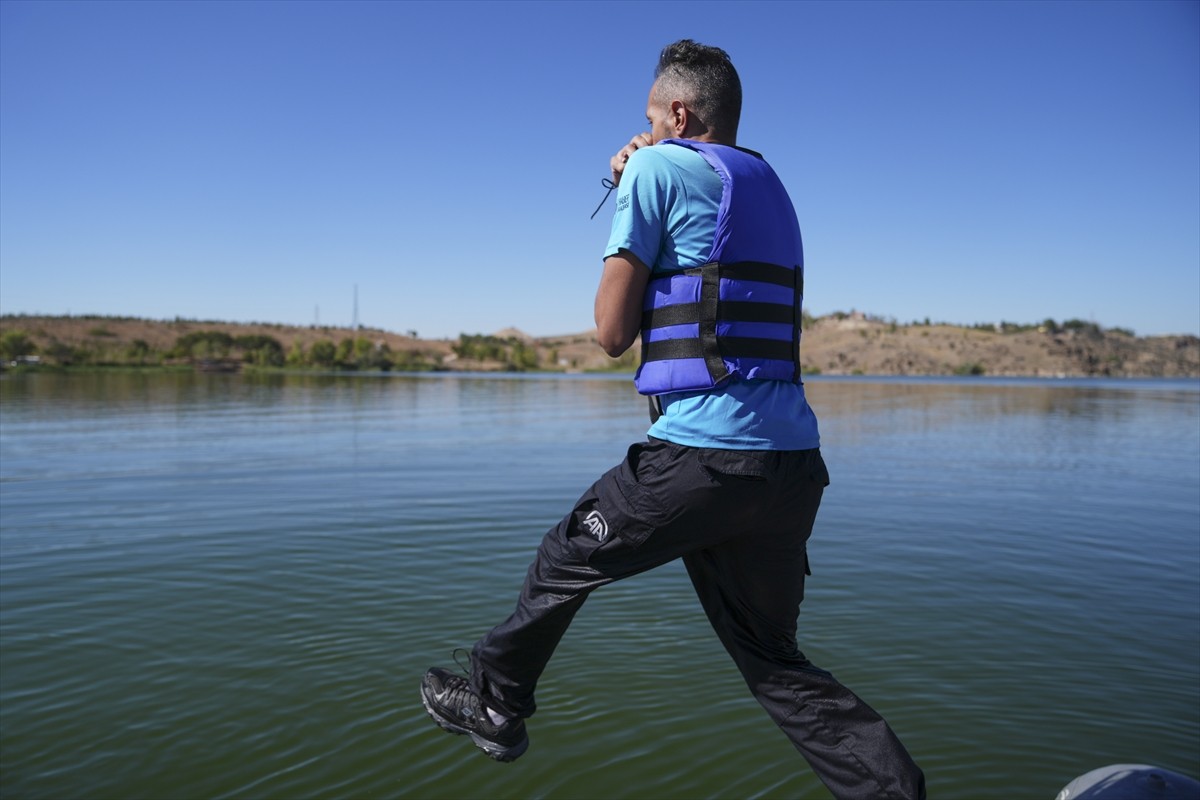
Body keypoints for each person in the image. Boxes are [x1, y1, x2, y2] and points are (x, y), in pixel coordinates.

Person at [421, 39, 926, 800]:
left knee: (563, 558)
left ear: (680, 115)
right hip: (792, 467)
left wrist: (634, 176)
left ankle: (495, 702)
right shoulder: (771, 182)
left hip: (704, 458)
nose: (645, 134)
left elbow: (610, 332)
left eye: (653, 120)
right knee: (775, 663)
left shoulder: (657, 168)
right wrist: (640, 170)